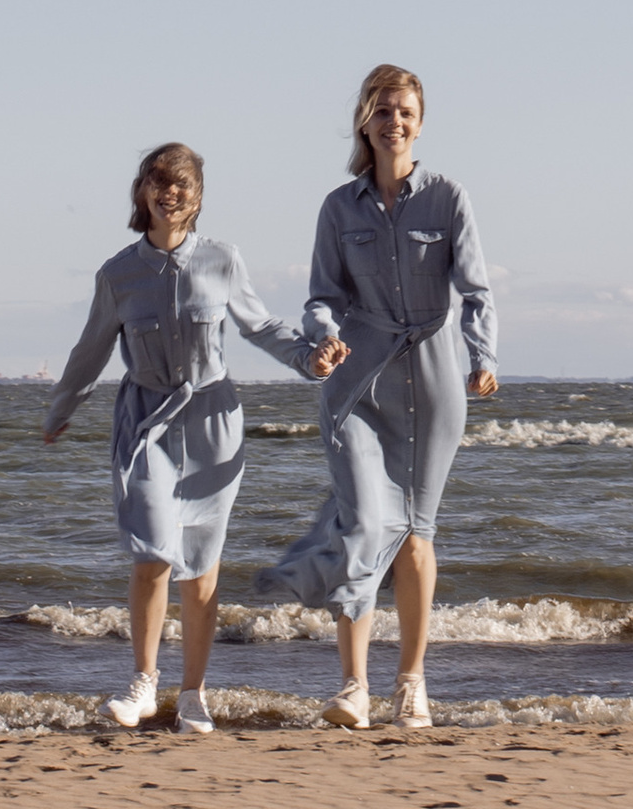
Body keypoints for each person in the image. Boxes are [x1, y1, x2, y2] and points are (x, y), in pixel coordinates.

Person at [42, 141, 312, 735]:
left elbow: (261, 325)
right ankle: (142, 683)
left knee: (201, 570)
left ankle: (193, 694)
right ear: (142, 191)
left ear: (197, 196)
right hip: (147, 424)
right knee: (151, 552)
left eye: (181, 184)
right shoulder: (118, 273)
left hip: (213, 425)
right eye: (159, 182)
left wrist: (308, 358)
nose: (170, 193)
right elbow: (91, 348)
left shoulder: (222, 260)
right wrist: (63, 407)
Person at [258, 64, 496, 731]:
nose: (395, 122)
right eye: (384, 111)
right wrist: (324, 336)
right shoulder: (339, 208)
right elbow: (321, 295)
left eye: (406, 112)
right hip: (357, 380)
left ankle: (411, 686)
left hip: (433, 379)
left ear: (420, 123)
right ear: (365, 120)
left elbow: (476, 290)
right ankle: (353, 687)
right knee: (362, 526)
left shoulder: (447, 198)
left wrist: (483, 357)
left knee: (415, 533)